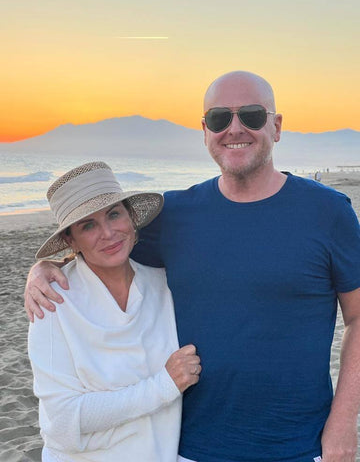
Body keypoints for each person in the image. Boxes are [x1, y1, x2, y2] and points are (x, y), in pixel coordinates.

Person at [25, 72, 360, 462]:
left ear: (277, 125)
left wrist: (344, 423)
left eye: (252, 115)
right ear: (204, 131)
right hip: (190, 450)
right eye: (220, 118)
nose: (235, 128)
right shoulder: (175, 215)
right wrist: (45, 267)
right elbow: (106, 246)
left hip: (302, 447)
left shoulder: (328, 212)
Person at [27, 161, 201, 462]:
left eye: (114, 214)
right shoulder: (53, 302)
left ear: (131, 217)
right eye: (88, 225)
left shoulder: (164, 285)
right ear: (71, 239)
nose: (108, 233)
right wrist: (164, 385)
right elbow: (63, 422)